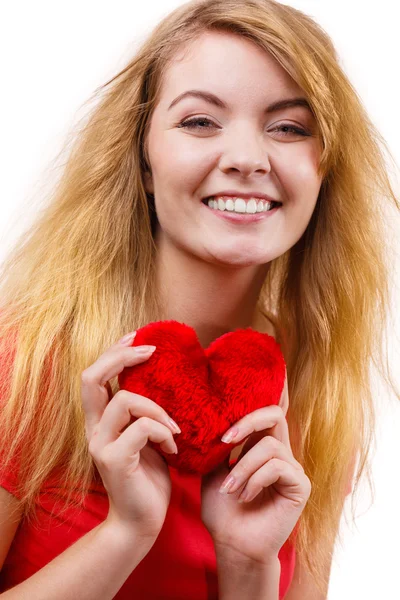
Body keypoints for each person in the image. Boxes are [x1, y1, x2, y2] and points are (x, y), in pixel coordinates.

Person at [0, 0, 398, 598]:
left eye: (289, 127)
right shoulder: (26, 361)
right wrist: (126, 532)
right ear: (144, 161)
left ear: (325, 170)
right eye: (199, 122)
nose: (245, 158)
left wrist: (246, 564)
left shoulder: (319, 394)